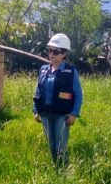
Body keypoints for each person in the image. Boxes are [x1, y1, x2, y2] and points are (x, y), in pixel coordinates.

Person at [32, 33, 83, 167]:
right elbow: (38, 90)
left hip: (62, 115)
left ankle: (64, 171)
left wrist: (74, 113)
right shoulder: (43, 70)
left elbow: (78, 94)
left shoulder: (71, 71)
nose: (51, 54)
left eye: (55, 51)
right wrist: (35, 110)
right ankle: (55, 169)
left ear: (63, 54)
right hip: (45, 114)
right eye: (49, 50)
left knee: (61, 146)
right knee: (51, 145)